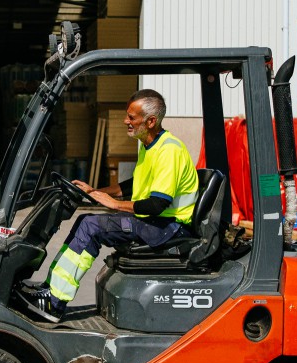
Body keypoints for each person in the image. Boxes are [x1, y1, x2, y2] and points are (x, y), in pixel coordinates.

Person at [15, 89, 199, 322]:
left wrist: (114, 204)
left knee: (91, 225)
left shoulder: (169, 150)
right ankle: (51, 289)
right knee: (85, 221)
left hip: (166, 226)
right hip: (155, 222)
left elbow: (157, 204)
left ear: (151, 121)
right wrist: (95, 191)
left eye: (132, 117)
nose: (125, 121)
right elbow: (135, 184)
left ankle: (53, 303)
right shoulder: (149, 144)